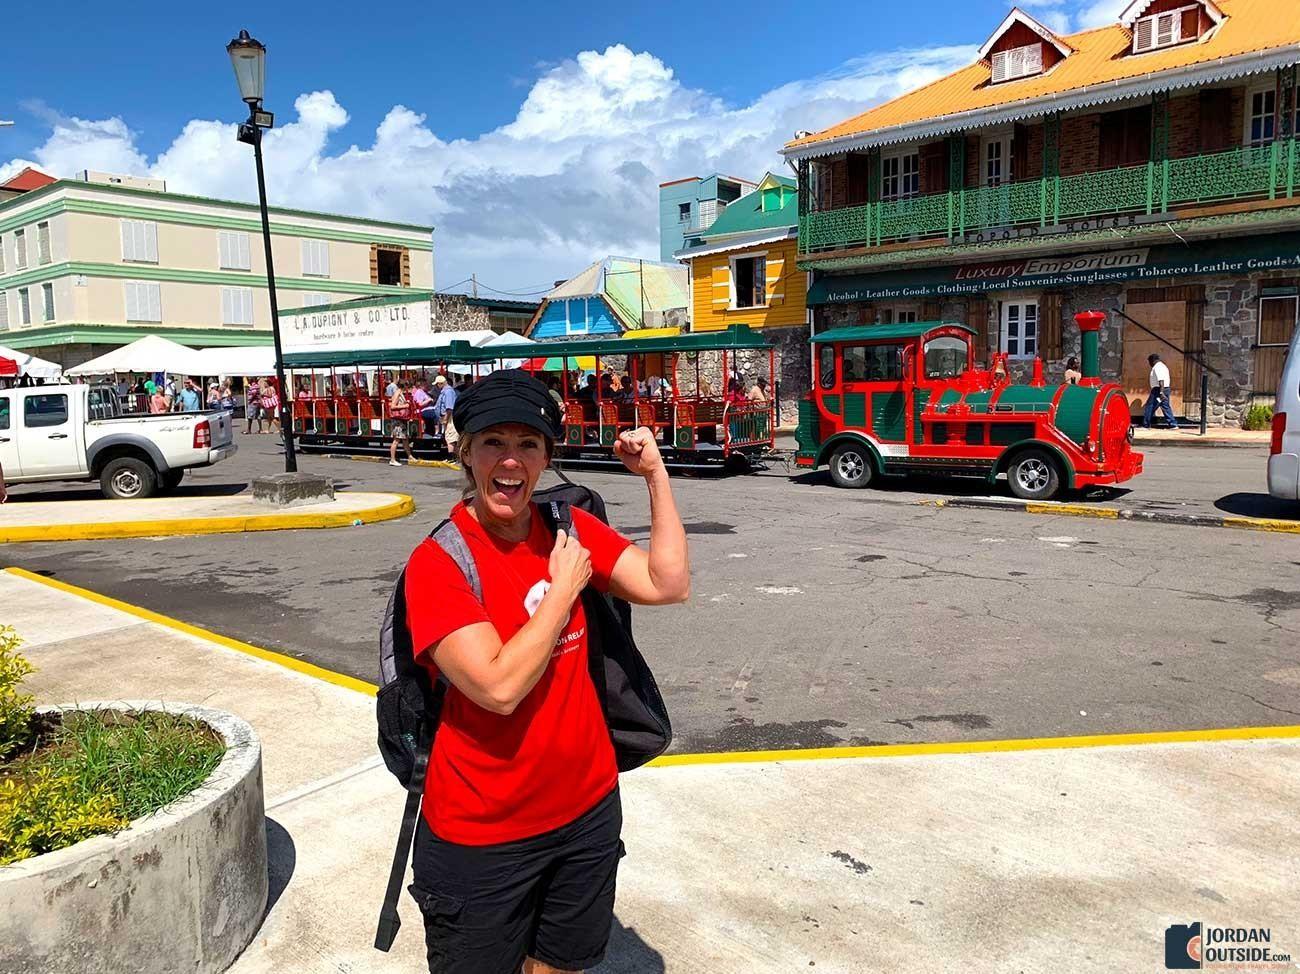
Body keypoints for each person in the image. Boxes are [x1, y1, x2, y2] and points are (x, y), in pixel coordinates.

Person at [402, 369, 688, 974]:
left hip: (586, 809)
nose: (511, 461)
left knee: (562, 963)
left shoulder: (567, 528)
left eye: (528, 445)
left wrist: (656, 478)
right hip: (483, 832)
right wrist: (562, 593)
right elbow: (498, 688)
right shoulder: (437, 565)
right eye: (493, 443)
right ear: (465, 453)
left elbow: (667, 583)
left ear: (546, 458)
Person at [1143, 353, 1179, 430]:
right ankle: (1173, 424)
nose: (1149, 364)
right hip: (1165, 389)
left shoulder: (1157, 367)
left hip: (1158, 390)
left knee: (1150, 406)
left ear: (1152, 361)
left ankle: (1146, 425)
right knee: (1165, 406)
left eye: (1149, 362)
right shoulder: (1163, 366)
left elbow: (1161, 380)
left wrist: (1161, 393)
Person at [389, 380, 416, 467]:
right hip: (398, 420)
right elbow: (393, 406)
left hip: (401, 419)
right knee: (396, 440)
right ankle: (392, 459)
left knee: (405, 439)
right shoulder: (397, 393)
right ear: (404, 386)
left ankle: (410, 456)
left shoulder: (400, 392)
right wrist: (404, 406)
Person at [433, 374, 458, 439]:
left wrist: (445, 420)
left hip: (449, 419)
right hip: (446, 417)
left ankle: (451, 450)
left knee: (450, 439)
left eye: (437, 384)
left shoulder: (448, 392)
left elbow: (449, 408)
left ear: (441, 383)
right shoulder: (445, 391)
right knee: (448, 438)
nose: (437, 386)